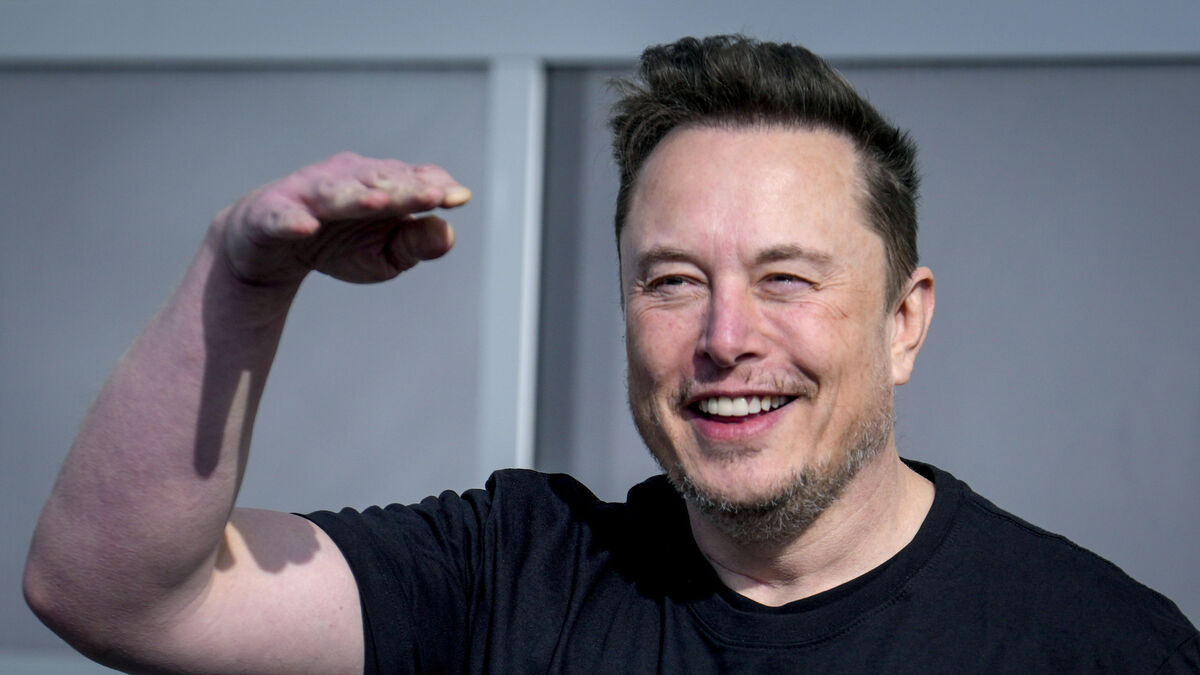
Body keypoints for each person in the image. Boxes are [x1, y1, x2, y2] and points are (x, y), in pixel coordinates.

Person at [24, 35, 1198, 674]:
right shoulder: (511, 578)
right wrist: (243, 276)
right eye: (673, 280)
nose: (726, 338)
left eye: (787, 278)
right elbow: (112, 594)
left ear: (904, 322)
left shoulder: (1100, 647)